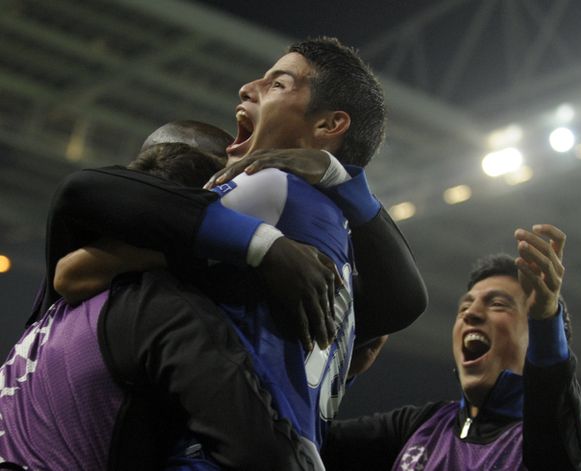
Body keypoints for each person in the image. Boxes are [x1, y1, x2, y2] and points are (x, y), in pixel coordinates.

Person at [23, 37, 425, 469]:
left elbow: (74, 272)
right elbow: (406, 301)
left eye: (278, 85)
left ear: (329, 125)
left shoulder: (266, 186)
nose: (247, 88)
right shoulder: (339, 256)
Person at [322, 224, 581, 470]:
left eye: (498, 304)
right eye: (464, 307)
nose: (470, 314)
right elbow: (303, 446)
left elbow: (557, 455)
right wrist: (340, 378)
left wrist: (546, 320)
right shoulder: (420, 427)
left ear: (539, 336)